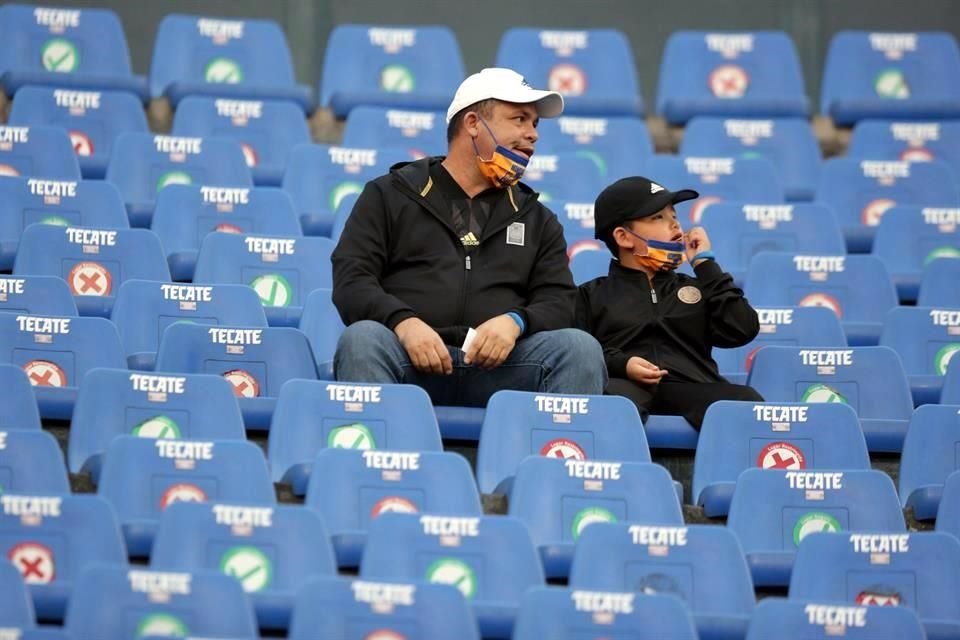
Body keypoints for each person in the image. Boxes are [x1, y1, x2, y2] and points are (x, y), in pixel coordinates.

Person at [332, 67, 605, 406]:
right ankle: (375, 456)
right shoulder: (389, 194)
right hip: (409, 360)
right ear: (474, 123)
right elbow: (352, 280)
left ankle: (551, 456)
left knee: (578, 349)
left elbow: (560, 301)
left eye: (535, 124)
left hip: (504, 369)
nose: (533, 134)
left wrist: (515, 322)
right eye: (519, 119)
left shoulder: (538, 218)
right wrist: (403, 323)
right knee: (362, 340)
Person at [575, 176, 763, 428]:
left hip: (692, 390)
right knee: (606, 401)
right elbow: (579, 356)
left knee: (745, 401)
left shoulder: (699, 287)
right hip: (624, 391)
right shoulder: (590, 295)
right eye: (658, 218)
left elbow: (742, 329)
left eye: (674, 216)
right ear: (623, 237)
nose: (675, 225)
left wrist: (706, 265)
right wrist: (623, 364)